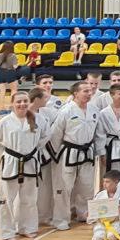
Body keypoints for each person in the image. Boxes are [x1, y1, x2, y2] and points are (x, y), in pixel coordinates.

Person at [0, 91, 47, 240]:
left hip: (30, 162)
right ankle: (6, 233)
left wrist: (34, 150)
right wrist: (6, 155)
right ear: (12, 104)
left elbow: (46, 136)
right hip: (10, 164)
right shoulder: (5, 121)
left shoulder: (38, 119)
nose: (22, 104)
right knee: (6, 199)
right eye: (18, 101)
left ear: (29, 102)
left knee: (29, 198)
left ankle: (27, 228)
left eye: (25, 101)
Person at [45, 82, 98, 231]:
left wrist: (98, 151)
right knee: (64, 187)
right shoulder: (66, 110)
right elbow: (55, 134)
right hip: (68, 153)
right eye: (85, 91)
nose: (89, 93)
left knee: (87, 185)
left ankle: (83, 213)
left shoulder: (94, 110)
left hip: (87, 152)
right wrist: (55, 156)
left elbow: (96, 133)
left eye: (90, 91)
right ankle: (60, 219)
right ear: (76, 93)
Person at [0, 41, 22, 112]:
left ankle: (2, 108)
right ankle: (11, 107)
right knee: (14, 90)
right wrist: (18, 64)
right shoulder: (13, 55)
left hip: (0, 73)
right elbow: (15, 66)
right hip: (10, 72)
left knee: (2, 91)